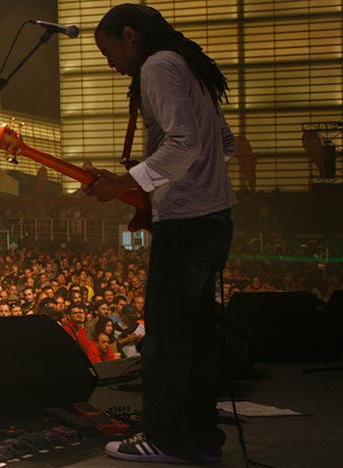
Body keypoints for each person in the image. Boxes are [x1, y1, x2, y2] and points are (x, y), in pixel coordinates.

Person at [86, 3, 235, 463]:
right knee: (198, 338)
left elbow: (184, 142)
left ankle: (166, 439)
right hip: (213, 218)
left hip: (189, 223)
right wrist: (149, 182)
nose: (109, 63)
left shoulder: (157, 65)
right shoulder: (186, 66)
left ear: (130, 36)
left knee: (167, 339)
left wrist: (125, 184)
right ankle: (199, 438)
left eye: (108, 51)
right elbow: (222, 141)